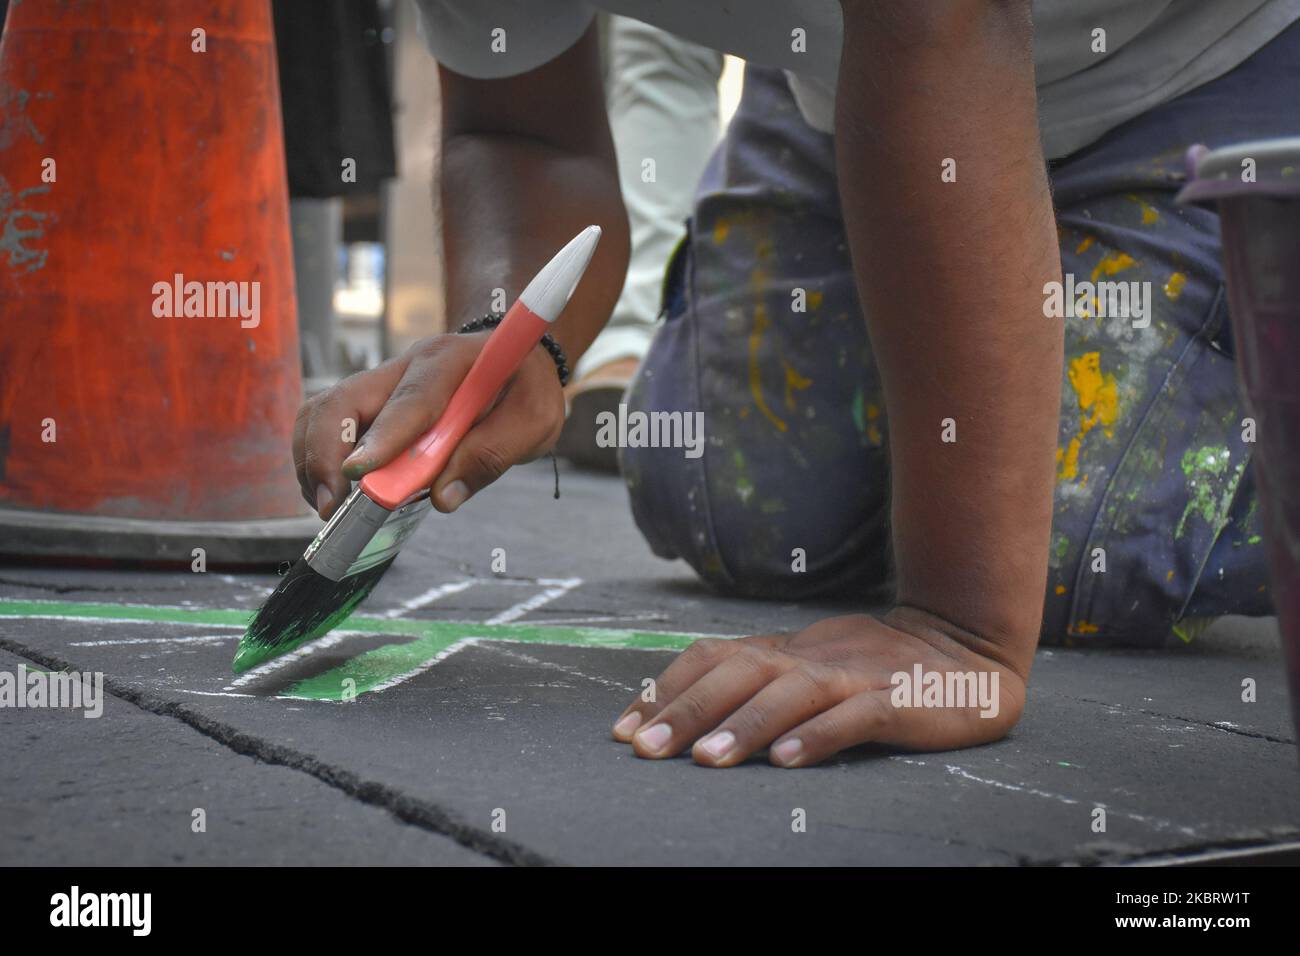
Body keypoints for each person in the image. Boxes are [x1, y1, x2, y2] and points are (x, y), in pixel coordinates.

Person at [294, 0, 1300, 768]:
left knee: (1087, 550)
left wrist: (956, 629)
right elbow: (521, 130)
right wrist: (505, 331)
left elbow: (942, 18)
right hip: (854, 73)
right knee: (744, 506)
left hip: (1184, 60)